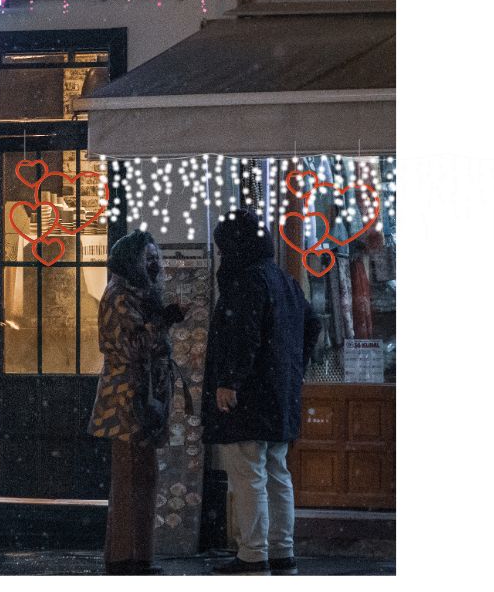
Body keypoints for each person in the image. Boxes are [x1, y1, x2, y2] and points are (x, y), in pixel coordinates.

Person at [202, 209, 322, 575]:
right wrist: (291, 370)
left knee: (248, 471)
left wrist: (229, 382)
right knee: (276, 471)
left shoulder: (246, 281)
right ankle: (281, 549)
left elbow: (243, 336)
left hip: (250, 398)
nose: (222, 255)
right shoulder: (284, 280)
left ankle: (253, 553)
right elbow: (312, 324)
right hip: (279, 395)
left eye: (223, 247)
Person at [87, 230, 186, 575]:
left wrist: (159, 322)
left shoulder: (141, 293)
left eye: (156, 255)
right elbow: (128, 348)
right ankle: (125, 558)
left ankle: (138, 556)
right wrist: (161, 325)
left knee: (143, 476)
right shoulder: (119, 296)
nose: (155, 262)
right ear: (133, 261)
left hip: (143, 396)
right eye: (149, 257)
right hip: (127, 399)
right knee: (130, 476)